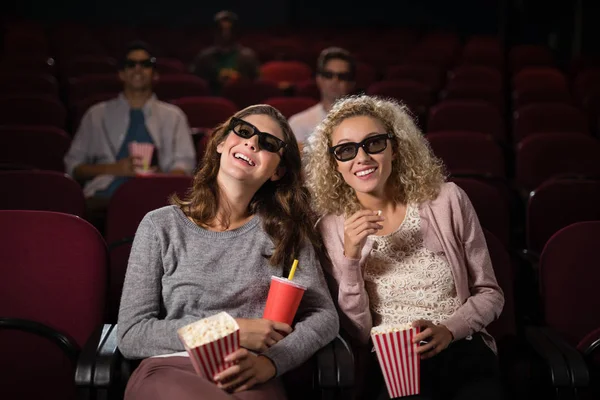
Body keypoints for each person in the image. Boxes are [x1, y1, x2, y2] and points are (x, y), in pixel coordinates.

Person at [117, 104, 339, 400]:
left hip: (250, 373)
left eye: (268, 143)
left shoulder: (287, 233)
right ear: (221, 143)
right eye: (244, 131)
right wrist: (227, 329)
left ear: (277, 171)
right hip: (173, 367)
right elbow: (132, 334)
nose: (252, 143)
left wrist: (272, 362)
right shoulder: (160, 225)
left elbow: (323, 315)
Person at [303, 95, 505, 400]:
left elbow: (491, 294)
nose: (362, 158)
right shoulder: (331, 227)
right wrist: (351, 258)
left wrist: (450, 330)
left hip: (461, 346)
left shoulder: (448, 200)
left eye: (374, 143)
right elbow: (358, 331)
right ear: (334, 164)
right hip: (393, 363)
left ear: (394, 147)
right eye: (345, 150)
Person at [64, 40, 196, 231]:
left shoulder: (174, 116)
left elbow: (185, 166)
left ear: (155, 74)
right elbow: (74, 167)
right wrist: (116, 168)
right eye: (130, 64)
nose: (137, 69)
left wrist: (160, 178)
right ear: (121, 74)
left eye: (145, 64)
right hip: (105, 199)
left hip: (160, 200)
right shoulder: (97, 114)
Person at [288, 47, 356, 145]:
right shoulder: (298, 123)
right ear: (319, 79)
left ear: (351, 83)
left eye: (342, 76)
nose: (335, 81)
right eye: (329, 75)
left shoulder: (364, 123)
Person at [190, 10, 260, 94]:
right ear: (214, 31)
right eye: (221, 30)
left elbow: (256, 83)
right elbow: (197, 84)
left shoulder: (248, 56)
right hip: (213, 97)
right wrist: (215, 79)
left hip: (241, 97)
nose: (225, 34)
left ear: (236, 31)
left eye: (229, 30)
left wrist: (239, 80)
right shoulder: (204, 57)